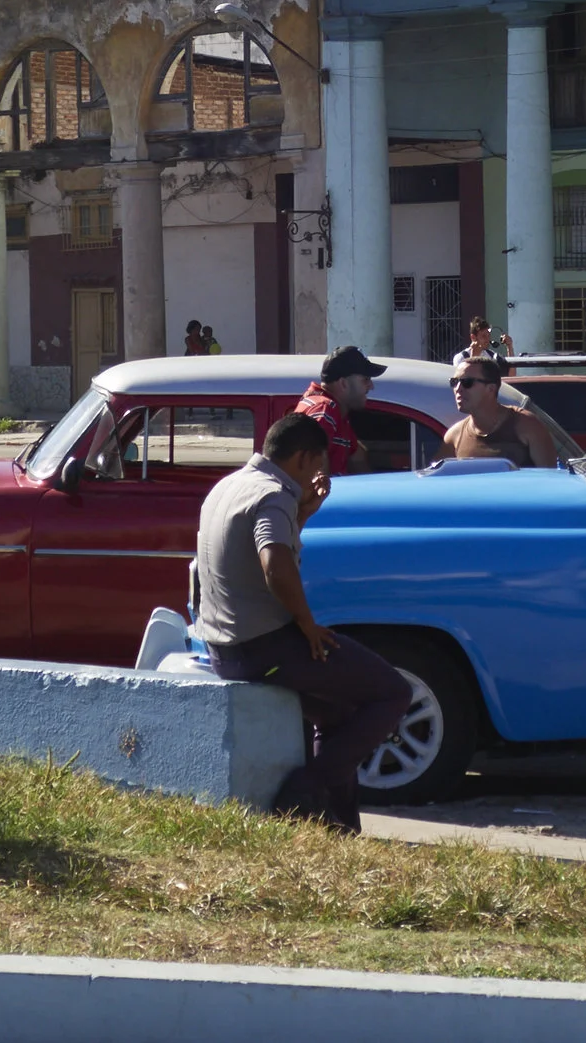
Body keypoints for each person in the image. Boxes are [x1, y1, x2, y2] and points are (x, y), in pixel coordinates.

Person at [193, 411, 411, 834]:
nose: (319, 472)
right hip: (265, 649)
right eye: (318, 463)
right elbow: (274, 563)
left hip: (226, 649)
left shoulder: (231, 485)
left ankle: (338, 827)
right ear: (304, 457)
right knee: (392, 693)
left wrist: (306, 511)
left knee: (338, 715)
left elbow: (258, 549)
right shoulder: (274, 494)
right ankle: (304, 790)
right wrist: (307, 625)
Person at [442, 354, 560, 468]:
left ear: (491, 389)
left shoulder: (526, 425)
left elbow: (550, 479)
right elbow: (434, 480)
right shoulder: (454, 436)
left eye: (467, 382)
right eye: (454, 382)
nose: (458, 389)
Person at [296, 345, 385, 477]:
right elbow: (314, 464)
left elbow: (357, 457)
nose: (371, 386)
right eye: (365, 380)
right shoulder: (324, 409)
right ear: (343, 383)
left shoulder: (336, 413)